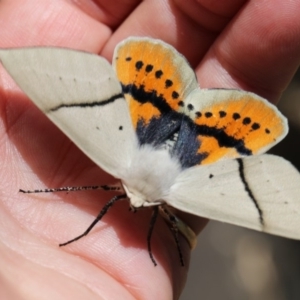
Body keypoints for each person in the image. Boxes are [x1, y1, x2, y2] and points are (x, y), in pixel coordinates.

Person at [0, 1, 299, 299]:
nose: (134, 203)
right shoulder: (172, 194)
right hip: (206, 137)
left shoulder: (116, 165)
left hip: (149, 107)